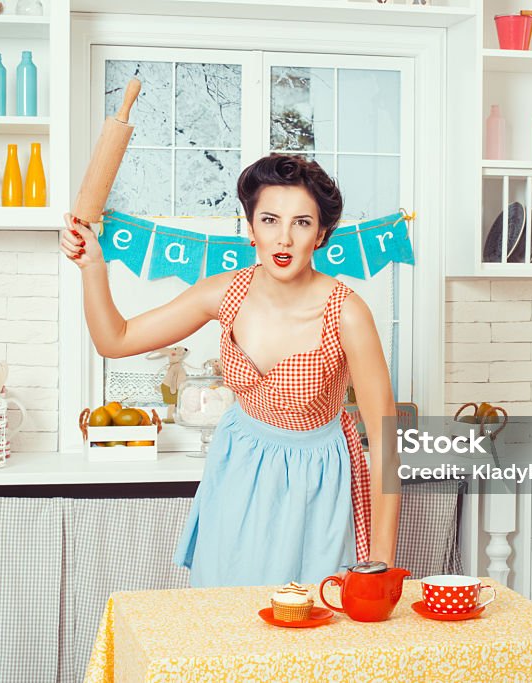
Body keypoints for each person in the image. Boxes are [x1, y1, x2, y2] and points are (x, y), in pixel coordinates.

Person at [60, 153, 401, 587]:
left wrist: (381, 563)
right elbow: (117, 339)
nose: (284, 239)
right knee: (227, 615)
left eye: (301, 223)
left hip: (318, 480)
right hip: (238, 466)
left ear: (320, 235)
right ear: (251, 228)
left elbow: (387, 440)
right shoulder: (225, 293)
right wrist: (92, 267)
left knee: (313, 621)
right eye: (270, 220)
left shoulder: (347, 313)